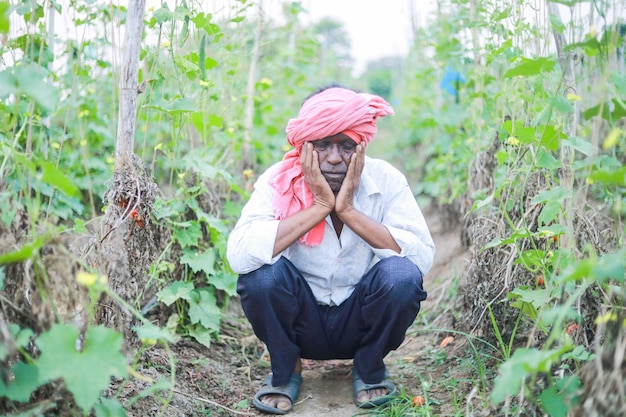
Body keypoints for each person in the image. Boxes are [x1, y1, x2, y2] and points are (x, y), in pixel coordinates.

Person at [227, 85, 435, 415]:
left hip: (360, 321)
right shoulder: (278, 181)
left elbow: (420, 259)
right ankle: (286, 371)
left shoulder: (386, 180)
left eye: (346, 145)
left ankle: (369, 368)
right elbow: (239, 254)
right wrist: (320, 206)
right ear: (305, 147)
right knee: (260, 277)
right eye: (323, 145)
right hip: (300, 322)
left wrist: (349, 210)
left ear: (362, 147)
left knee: (402, 275)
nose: (335, 158)